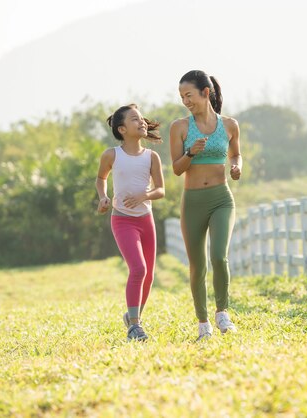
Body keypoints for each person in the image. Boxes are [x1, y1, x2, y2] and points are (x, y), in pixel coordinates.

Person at [169, 70, 242, 341]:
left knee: (219, 256)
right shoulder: (180, 127)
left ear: (206, 92)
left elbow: (236, 154)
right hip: (193, 203)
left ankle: (223, 313)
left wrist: (236, 167)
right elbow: (177, 169)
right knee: (197, 265)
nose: (185, 101)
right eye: (182, 97)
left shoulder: (230, 125)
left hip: (221, 199)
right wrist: (190, 152)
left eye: (189, 95)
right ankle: (203, 324)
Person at [96, 104, 165, 342]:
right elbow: (101, 178)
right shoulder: (112, 155)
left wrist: (143, 196)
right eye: (135, 120)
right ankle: (134, 327)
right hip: (122, 220)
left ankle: (135, 318)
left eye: (142, 119)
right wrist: (103, 197)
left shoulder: (151, 157)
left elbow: (160, 190)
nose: (142, 122)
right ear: (123, 129)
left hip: (146, 220)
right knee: (138, 269)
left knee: (149, 276)